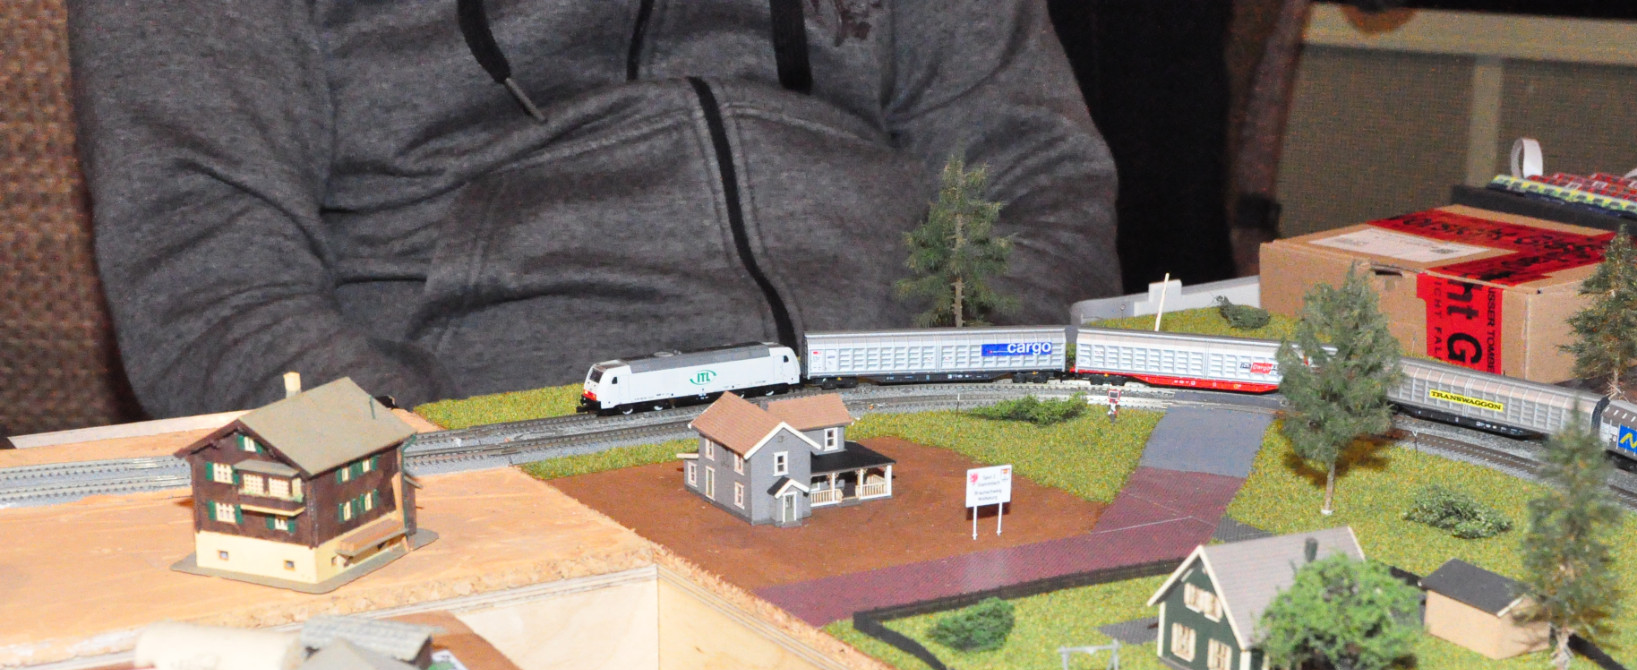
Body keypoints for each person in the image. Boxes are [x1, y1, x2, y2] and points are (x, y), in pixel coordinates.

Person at [68, 0, 1120, 418]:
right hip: (501, 453)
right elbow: (209, 282)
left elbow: (1034, 175)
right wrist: (443, 468)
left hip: (920, 428)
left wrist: (977, 390)